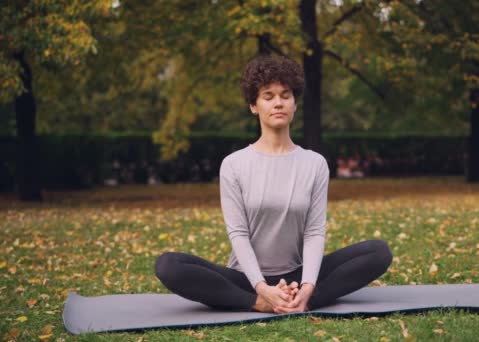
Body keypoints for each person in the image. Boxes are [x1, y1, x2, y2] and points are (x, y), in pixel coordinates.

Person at [154, 54, 392, 313]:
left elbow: (314, 232)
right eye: (268, 96)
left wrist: (308, 286)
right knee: (168, 265)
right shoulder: (234, 164)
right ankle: (260, 305)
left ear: (294, 103)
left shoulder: (315, 164)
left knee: (378, 252)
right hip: (245, 280)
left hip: (297, 276)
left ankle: (303, 301)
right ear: (254, 106)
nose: (278, 103)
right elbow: (238, 234)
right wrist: (261, 289)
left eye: (285, 95)